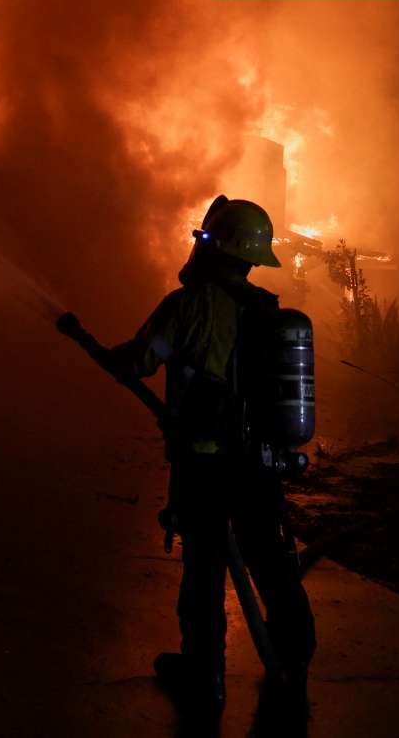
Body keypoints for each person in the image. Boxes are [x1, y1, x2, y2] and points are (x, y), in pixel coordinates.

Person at [109, 196, 315, 707]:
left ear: (213, 245)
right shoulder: (265, 310)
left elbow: (140, 362)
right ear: (252, 260)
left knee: (204, 567)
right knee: (269, 557)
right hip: (258, 463)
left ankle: (206, 677)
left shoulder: (188, 304)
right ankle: (296, 655)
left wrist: (110, 355)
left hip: (203, 460)